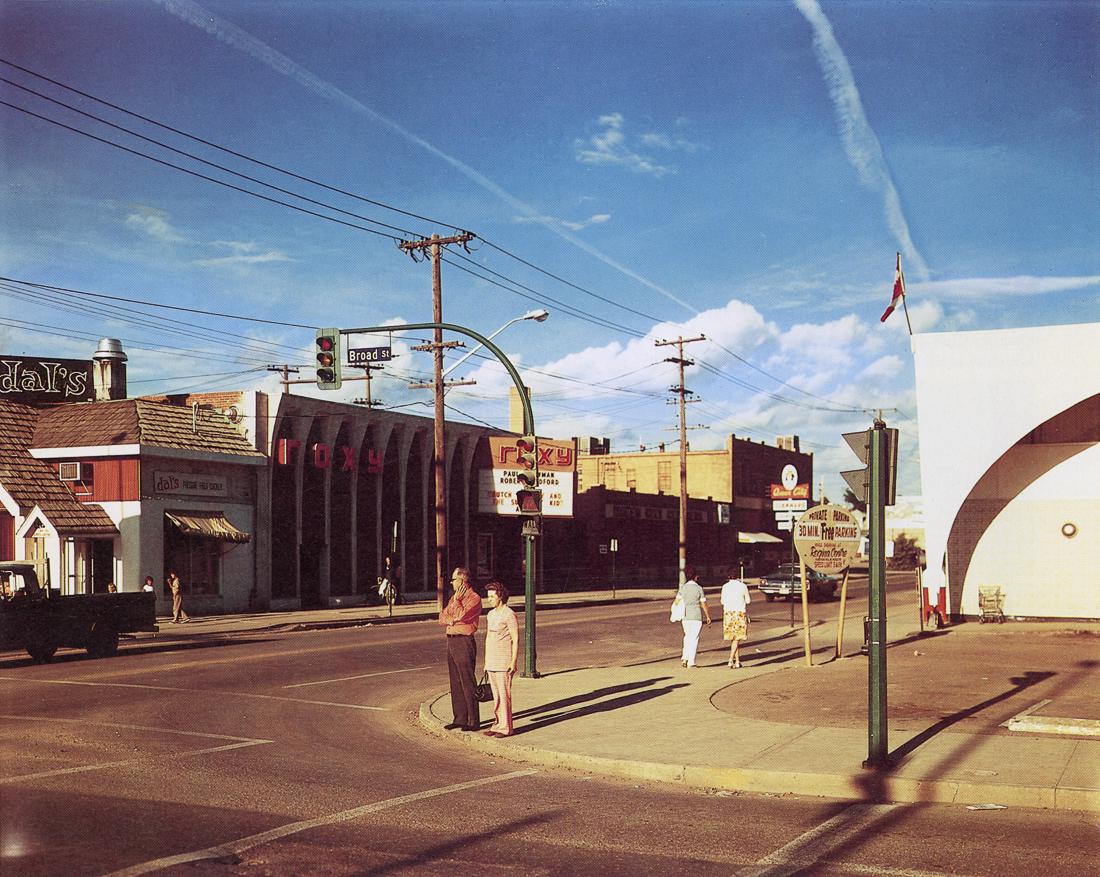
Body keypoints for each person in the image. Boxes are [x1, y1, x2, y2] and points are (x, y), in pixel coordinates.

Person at [438, 567, 482, 731]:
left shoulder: (474, 598)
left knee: (467, 681)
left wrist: (456, 604)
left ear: (462, 581)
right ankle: (460, 718)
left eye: (454, 580)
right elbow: (442, 617)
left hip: (464, 641)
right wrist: (451, 619)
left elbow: (463, 616)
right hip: (451, 640)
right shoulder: (454, 597)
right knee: (455, 681)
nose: (451, 583)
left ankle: (473, 721)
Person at [482, 581, 518, 738]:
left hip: (504, 661)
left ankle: (506, 728)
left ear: (500, 596)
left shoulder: (509, 614)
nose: (489, 599)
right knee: (496, 695)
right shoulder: (490, 614)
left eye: (492, 596)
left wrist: (513, 662)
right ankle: (497, 724)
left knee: (504, 695)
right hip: (492, 660)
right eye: (488, 596)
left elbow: (515, 639)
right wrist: (486, 661)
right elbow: (488, 638)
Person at [677, 565, 711, 668]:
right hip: (696, 616)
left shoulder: (683, 588)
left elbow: (677, 601)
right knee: (694, 638)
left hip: (685, 616)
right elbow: (703, 604)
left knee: (687, 636)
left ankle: (685, 657)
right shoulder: (699, 588)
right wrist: (708, 616)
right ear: (695, 576)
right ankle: (691, 661)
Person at [720, 567, 752, 668]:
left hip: (728, 614)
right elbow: (748, 601)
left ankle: (737, 661)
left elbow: (722, 601)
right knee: (737, 638)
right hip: (739, 613)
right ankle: (730, 659)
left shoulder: (725, 587)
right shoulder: (743, 586)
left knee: (734, 638)